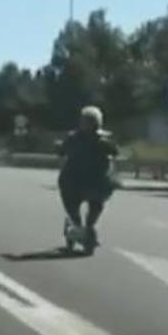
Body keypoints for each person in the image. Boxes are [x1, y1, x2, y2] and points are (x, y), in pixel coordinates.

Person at [57, 106, 119, 247]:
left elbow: (116, 152)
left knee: (95, 202)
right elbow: (61, 151)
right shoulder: (76, 138)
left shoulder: (100, 139)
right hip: (77, 182)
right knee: (79, 202)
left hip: (90, 182)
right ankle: (79, 226)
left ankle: (85, 226)